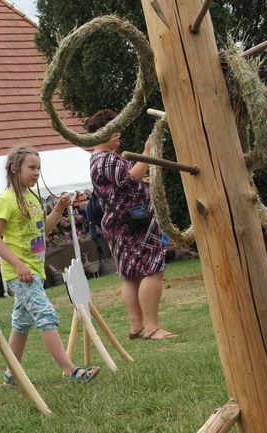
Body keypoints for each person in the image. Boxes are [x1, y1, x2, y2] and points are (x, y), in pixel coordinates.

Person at [0, 147, 100, 385]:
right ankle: (69, 370)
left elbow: (44, 230)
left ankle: (11, 374)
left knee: (22, 323)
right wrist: (17, 265)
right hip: (21, 274)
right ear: (14, 169)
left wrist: (58, 209)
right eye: (31, 168)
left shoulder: (31, 198)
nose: (37, 173)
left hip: (34, 270)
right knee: (46, 316)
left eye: (38, 168)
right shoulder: (5, 201)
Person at [87, 109, 177, 340]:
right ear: (101, 133)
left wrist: (139, 181)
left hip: (119, 223)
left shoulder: (98, 160)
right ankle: (152, 327)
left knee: (131, 275)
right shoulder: (105, 158)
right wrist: (146, 153)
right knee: (153, 268)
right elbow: (128, 178)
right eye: (113, 129)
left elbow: (122, 185)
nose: (119, 134)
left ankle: (137, 327)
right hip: (133, 223)